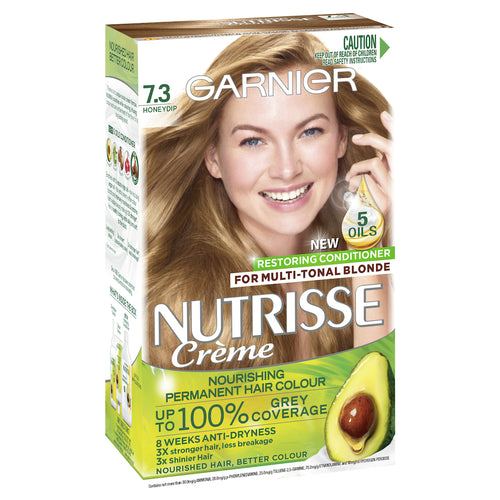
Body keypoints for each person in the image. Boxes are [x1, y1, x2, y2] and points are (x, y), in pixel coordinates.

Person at [145, 32, 392, 370]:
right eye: (253, 141)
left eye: (310, 132)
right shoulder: (181, 306)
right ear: (213, 158)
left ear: (341, 139)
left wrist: (367, 249)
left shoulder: (357, 270)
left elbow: (373, 394)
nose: (287, 169)